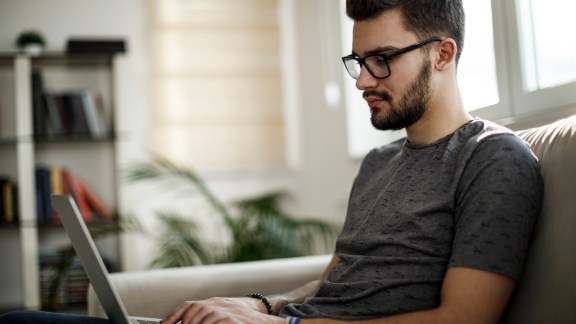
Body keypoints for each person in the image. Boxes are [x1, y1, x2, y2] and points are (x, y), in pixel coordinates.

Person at [0, 0, 543, 323]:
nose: (363, 81)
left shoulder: (492, 159)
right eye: (359, 60)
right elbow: (336, 281)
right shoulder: (379, 163)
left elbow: (465, 319)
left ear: (443, 54)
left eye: (382, 61)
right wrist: (263, 304)